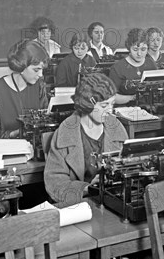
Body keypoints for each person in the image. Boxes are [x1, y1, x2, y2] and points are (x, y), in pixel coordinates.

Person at [44, 73, 128, 205]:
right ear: (87, 103)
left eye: (112, 104)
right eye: (104, 105)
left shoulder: (117, 128)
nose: (110, 110)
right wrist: (87, 188)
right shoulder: (64, 133)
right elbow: (55, 182)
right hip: (78, 204)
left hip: (112, 201)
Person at [0, 40, 48, 138]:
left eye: (42, 70)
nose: (41, 75)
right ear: (21, 66)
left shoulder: (39, 86)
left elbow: (46, 120)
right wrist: (15, 133)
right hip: (8, 149)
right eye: (36, 70)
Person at [108, 28, 158, 105]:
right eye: (135, 49)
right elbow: (111, 96)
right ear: (129, 48)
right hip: (125, 109)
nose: (139, 53)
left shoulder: (151, 63)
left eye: (143, 49)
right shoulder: (118, 68)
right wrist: (133, 98)